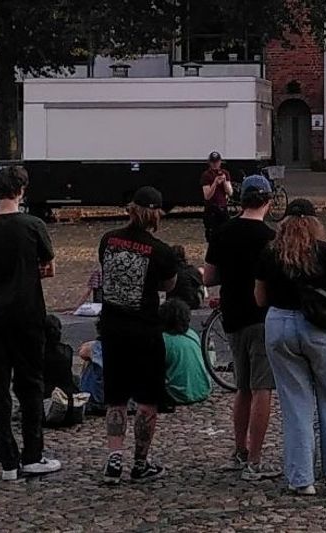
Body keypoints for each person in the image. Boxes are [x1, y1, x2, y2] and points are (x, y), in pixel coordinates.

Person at [256, 198, 326, 496]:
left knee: (295, 404)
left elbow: (260, 298)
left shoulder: (270, 253)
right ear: (315, 223)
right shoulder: (325, 252)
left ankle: (301, 477)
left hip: (279, 324)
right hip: (319, 326)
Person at [0, 165, 62, 480]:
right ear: (21, 191)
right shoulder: (33, 225)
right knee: (30, 383)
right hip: (27, 310)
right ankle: (32, 454)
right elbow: (47, 265)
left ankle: (7, 460)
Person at [96, 186, 181, 485]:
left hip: (112, 326)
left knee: (116, 397)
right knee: (147, 400)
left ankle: (114, 458)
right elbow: (168, 286)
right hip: (144, 330)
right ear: (156, 213)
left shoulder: (108, 240)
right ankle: (140, 463)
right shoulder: (161, 251)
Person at [203, 175, 280, 480]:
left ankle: (239, 449)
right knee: (263, 389)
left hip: (231, 315)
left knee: (242, 388)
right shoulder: (271, 237)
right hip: (262, 317)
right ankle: (256, 460)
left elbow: (209, 278)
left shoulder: (223, 232)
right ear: (268, 202)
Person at [202, 152, 233, 244]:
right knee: (212, 235)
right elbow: (207, 196)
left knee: (225, 233)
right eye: (213, 162)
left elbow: (230, 192)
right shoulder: (206, 175)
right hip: (211, 208)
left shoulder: (225, 173)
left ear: (220, 162)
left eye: (217, 162)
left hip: (222, 207)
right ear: (209, 163)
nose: (215, 164)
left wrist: (224, 182)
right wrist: (215, 183)